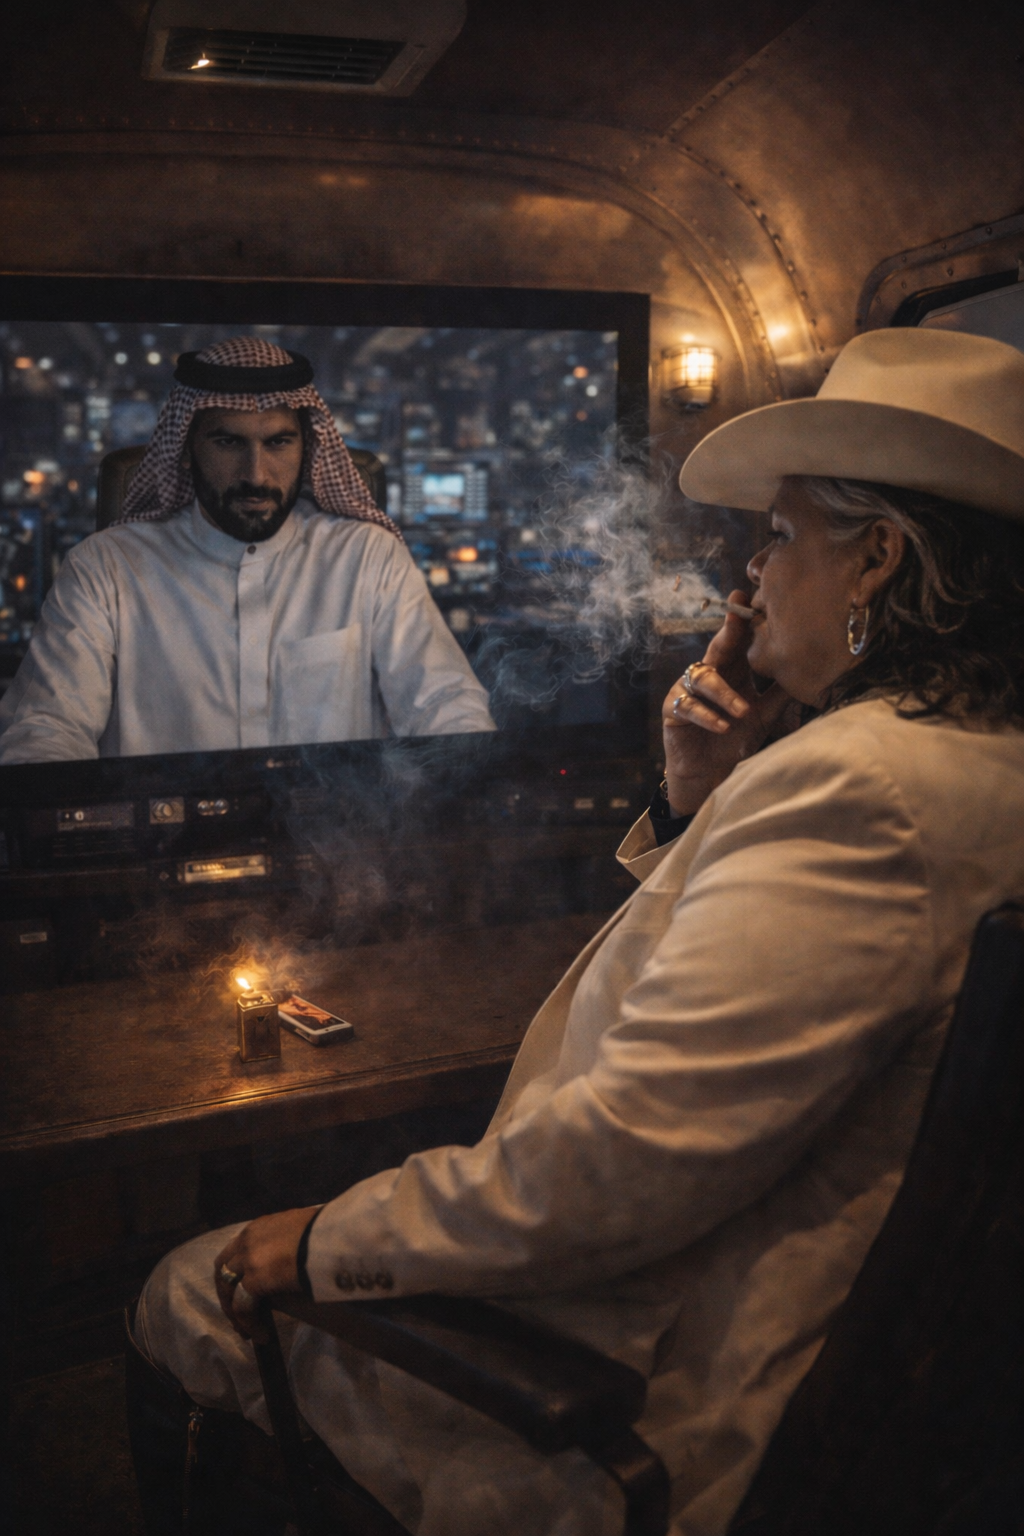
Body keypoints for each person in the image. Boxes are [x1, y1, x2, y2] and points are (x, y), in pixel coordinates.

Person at [129, 326, 1024, 1536]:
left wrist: (329, 1242)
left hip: (638, 1407)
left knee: (185, 1286)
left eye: (779, 534)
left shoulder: (855, 788)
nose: (750, 580)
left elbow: (609, 1168)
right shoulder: (966, 769)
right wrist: (705, 789)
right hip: (873, 1390)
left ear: (875, 562)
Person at [0, 336, 494, 761]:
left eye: (278, 443)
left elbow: (445, 705)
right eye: (228, 443)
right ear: (188, 449)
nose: (256, 475)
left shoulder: (367, 557)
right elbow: (46, 730)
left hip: (335, 849)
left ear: (308, 450)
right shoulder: (105, 569)